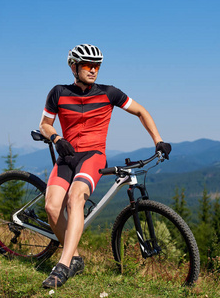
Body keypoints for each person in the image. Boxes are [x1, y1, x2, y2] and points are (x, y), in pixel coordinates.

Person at [39, 44, 171, 288]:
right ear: (74, 67)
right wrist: (57, 138)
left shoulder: (109, 93)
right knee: (51, 206)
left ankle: (63, 265)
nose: (93, 70)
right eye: (88, 65)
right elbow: (44, 125)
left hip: (93, 156)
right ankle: (75, 257)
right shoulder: (58, 92)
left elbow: (141, 111)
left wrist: (158, 140)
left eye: (97, 66)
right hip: (67, 156)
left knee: (75, 197)